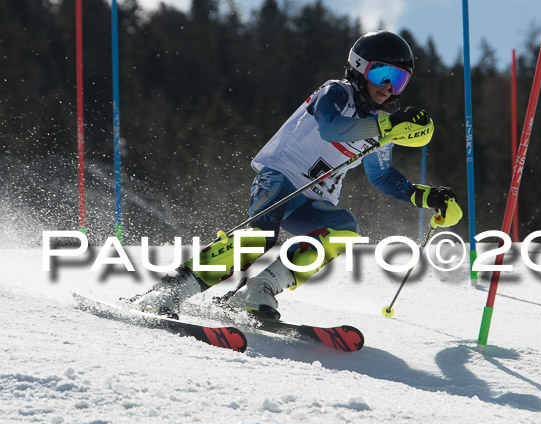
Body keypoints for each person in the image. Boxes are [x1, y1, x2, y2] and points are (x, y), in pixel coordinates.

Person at [132, 30, 462, 318]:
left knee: (345, 228)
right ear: (360, 67)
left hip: (312, 201)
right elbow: (332, 128)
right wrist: (385, 126)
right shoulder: (337, 92)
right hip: (280, 177)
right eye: (383, 75)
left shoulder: (382, 126)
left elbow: (382, 176)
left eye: (400, 80)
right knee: (259, 237)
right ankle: (170, 290)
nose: (389, 88)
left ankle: (259, 289)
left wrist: (428, 196)